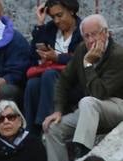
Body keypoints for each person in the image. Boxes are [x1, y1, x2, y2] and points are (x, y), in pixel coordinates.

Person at [42, 15, 123, 161]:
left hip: (116, 106)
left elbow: (100, 93)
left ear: (106, 33)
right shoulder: (81, 50)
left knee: (87, 102)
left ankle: (82, 152)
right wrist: (58, 110)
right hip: (89, 110)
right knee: (53, 129)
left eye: (95, 34)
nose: (91, 40)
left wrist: (88, 64)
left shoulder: (118, 54)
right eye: (87, 36)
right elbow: (63, 80)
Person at [23, 0, 82, 134]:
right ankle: (31, 132)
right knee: (32, 84)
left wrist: (58, 58)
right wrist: (40, 24)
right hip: (49, 80)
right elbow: (33, 55)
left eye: (60, 15)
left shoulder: (83, 30)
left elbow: (83, 58)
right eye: (53, 17)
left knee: (49, 75)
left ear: (71, 11)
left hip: (74, 83)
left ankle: (47, 127)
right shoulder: (50, 29)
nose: (56, 20)